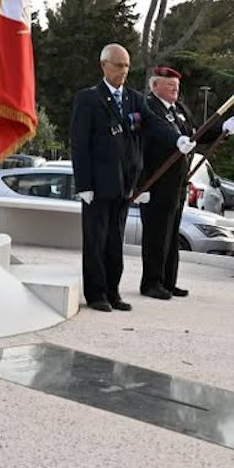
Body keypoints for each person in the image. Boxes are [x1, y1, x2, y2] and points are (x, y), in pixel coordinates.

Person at [138, 66, 234, 299]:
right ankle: (151, 283)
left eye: (177, 85)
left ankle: (168, 281)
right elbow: (152, 139)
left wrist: (222, 130)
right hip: (155, 182)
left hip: (178, 183)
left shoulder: (179, 109)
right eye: (169, 84)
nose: (175, 88)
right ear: (155, 85)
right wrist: (141, 184)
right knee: (156, 235)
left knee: (171, 234)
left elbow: (196, 134)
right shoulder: (149, 108)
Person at [70, 43, 145, 313]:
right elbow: (79, 144)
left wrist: (180, 140)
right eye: (118, 65)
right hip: (98, 186)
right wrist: (84, 184)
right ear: (104, 65)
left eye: (127, 66)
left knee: (115, 242)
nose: (123, 71)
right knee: (96, 241)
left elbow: (144, 137)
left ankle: (113, 291)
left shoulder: (134, 99)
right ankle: (96, 293)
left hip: (124, 186)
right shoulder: (89, 98)